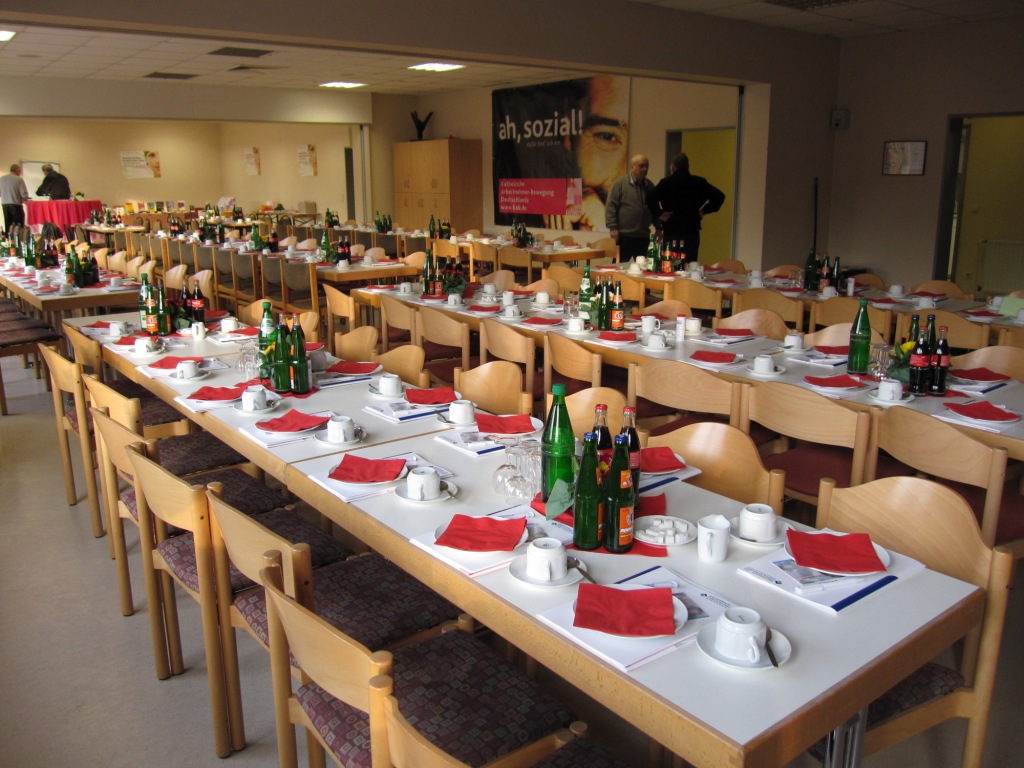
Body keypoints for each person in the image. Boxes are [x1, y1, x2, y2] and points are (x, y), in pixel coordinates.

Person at [647, 152, 725, 262]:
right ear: (687, 166)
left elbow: (649, 198)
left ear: (673, 166)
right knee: (689, 264)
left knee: (671, 264)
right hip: (691, 229)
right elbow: (719, 196)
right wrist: (703, 211)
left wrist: (659, 213)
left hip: (672, 229)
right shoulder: (699, 182)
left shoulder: (666, 183)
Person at [605, 154, 654, 260]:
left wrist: (658, 227)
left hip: (643, 236)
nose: (645, 169)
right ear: (633, 167)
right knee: (620, 266)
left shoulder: (649, 186)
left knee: (643, 266)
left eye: (646, 166)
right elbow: (611, 206)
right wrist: (613, 228)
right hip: (624, 235)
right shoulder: (620, 184)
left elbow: (654, 208)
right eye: (641, 166)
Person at [0, 163, 30, 236]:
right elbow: (23, 193)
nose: (20, 173)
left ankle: (9, 239)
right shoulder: (18, 179)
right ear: (17, 170)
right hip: (16, 204)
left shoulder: (1, 179)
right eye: (20, 171)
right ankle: (18, 239)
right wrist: (26, 199)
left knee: (8, 224)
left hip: (5, 205)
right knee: (18, 225)